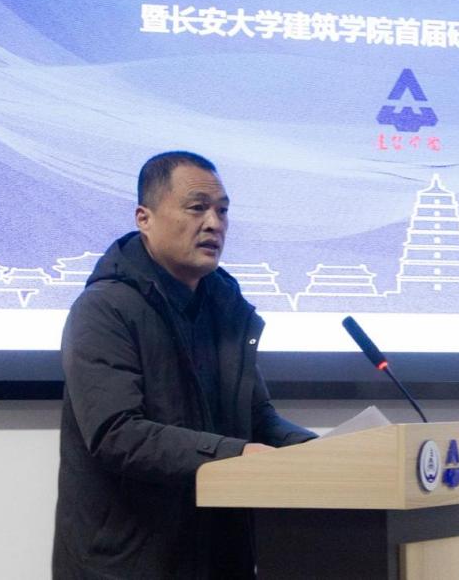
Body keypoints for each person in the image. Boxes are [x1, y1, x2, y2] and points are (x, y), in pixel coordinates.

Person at [52, 151, 316, 579]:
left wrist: (319, 452)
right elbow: (117, 433)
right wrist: (236, 453)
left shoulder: (225, 308)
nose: (214, 223)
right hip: (130, 563)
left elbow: (257, 418)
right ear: (144, 218)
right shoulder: (104, 309)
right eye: (197, 208)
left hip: (219, 555)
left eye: (222, 211)